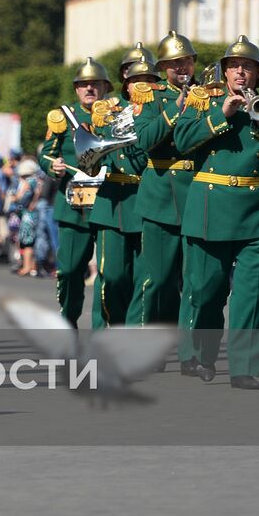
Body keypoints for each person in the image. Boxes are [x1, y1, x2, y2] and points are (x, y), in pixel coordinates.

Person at [173, 36, 259, 388]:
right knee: (207, 290)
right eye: (235, 66)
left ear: (258, 73)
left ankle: (244, 367)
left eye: (249, 66)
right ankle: (201, 354)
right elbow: (181, 141)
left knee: (253, 294)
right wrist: (219, 114)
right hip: (211, 206)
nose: (242, 71)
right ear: (225, 72)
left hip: (257, 210)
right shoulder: (203, 102)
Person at [130, 30, 200, 327]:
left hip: (198, 193)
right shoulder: (150, 96)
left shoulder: (208, 93)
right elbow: (145, 138)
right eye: (173, 63)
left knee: (193, 279)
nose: (181, 67)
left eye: (185, 61)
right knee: (158, 278)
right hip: (161, 194)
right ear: (162, 68)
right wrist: (176, 108)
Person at [86, 60, 158, 327]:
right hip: (113, 202)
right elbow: (90, 157)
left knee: (145, 278)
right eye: (136, 79)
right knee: (112, 275)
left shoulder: (162, 112)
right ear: (126, 85)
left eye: (150, 79)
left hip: (148, 198)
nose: (142, 84)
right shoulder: (109, 113)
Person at [41, 58, 112, 327]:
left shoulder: (117, 114)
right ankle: (68, 321)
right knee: (69, 270)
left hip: (108, 200)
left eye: (95, 84)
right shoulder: (63, 117)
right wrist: (53, 165)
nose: (89, 88)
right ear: (76, 89)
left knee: (109, 272)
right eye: (83, 84)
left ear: (105, 87)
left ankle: (101, 332)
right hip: (74, 204)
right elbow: (46, 155)